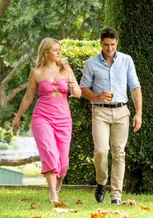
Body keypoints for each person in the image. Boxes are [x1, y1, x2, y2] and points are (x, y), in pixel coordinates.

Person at [12, 37, 81, 204]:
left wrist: (73, 85)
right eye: (55, 49)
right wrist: (18, 116)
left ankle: (58, 183)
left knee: (63, 162)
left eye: (59, 49)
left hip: (63, 119)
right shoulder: (36, 73)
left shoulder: (65, 69)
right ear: (45, 52)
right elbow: (28, 97)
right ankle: (53, 194)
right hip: (42, 118)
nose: (59, 52)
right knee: (49, 154)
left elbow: (78, 94)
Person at [79, 27, 142, 204]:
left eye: (113, 45)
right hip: (100, 111)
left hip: (122, 111)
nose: (109, 49)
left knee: (119, 153)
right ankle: (101, 182)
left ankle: (116, 195)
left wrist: (139, 113)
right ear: (101, 43)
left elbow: (135, 87)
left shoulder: (126, 60)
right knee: (101, 151)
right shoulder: (90, 64)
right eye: (106, 45)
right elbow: (83, 88)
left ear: (117, 43)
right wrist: (96, 96)